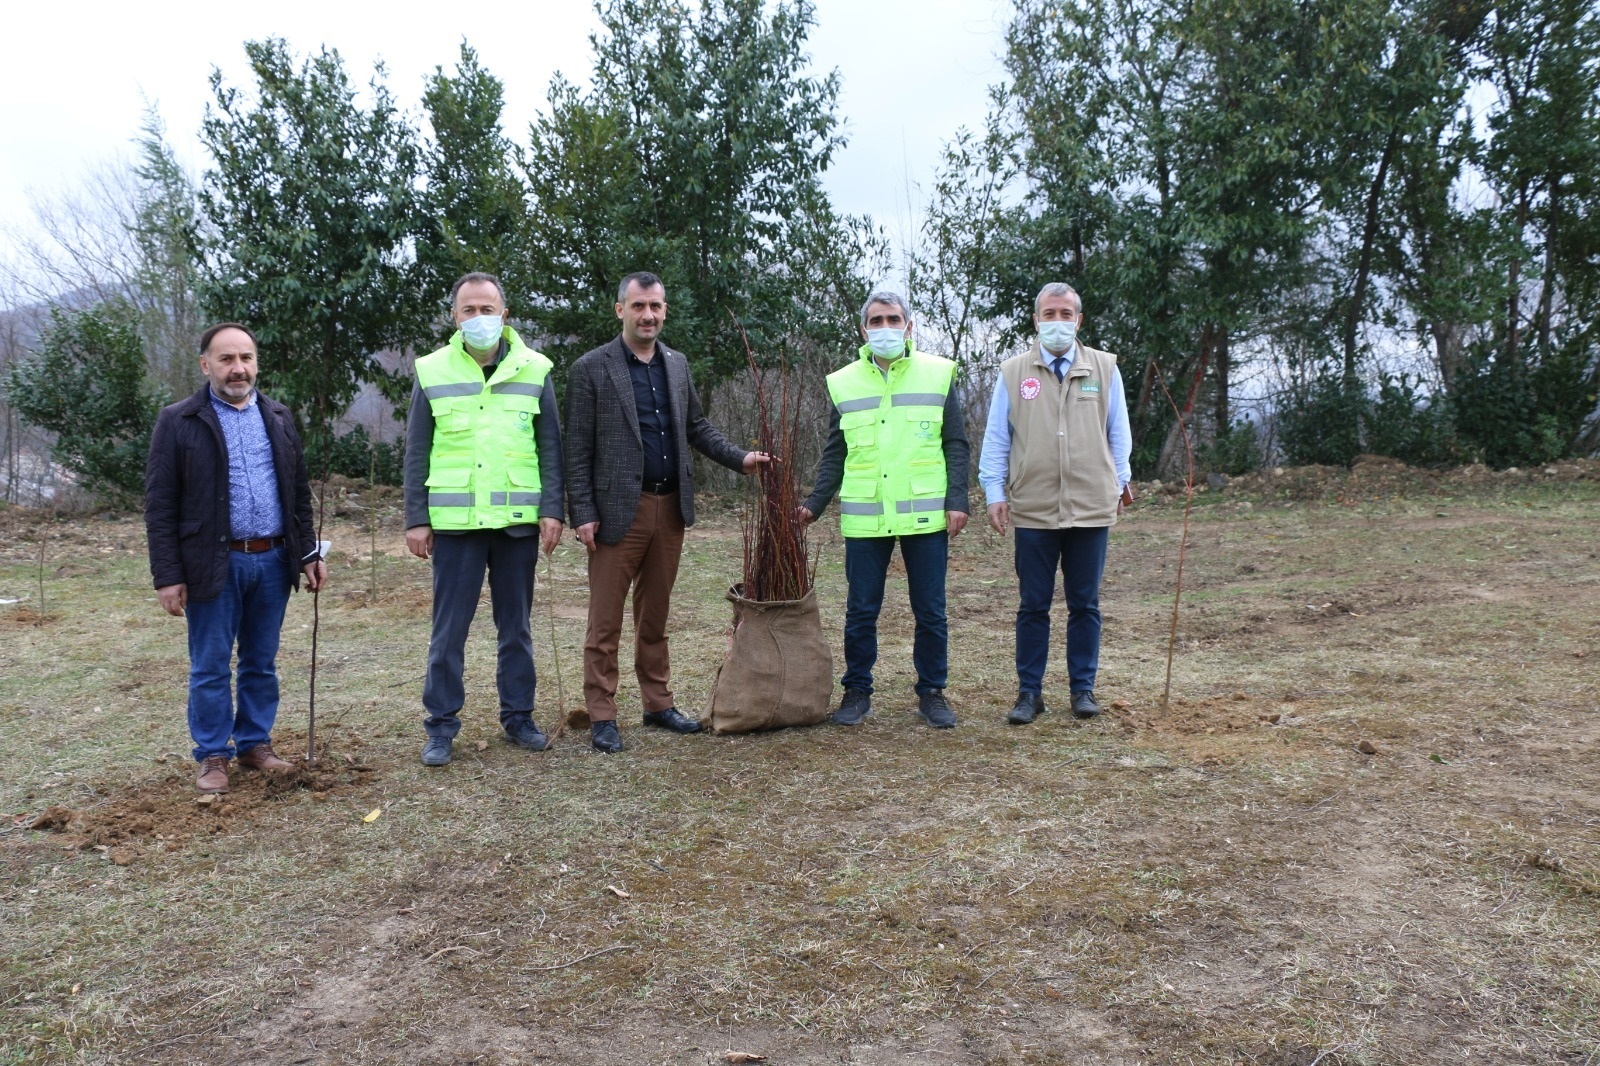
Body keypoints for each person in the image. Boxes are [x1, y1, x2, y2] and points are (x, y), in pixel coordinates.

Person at [565, 271, 770, 753]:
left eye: (655, 306)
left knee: (655, 616)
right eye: (638, 306)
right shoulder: (591, 368)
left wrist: (741, 458)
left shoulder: (676, 366)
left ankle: (658, 704)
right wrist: (583, 512)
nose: (648, 315)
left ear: (664, 310)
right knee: (605, 621)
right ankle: (602, 713)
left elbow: (696, 427)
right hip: (617, 511)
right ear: (620, 310)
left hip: (670, 507)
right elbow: (576, 450)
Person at [145, 322, 328, 793]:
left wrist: (308, 553)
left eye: (245, 357)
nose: (238, 368)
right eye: (226, 359)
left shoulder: (280, 417)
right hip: (212, 564)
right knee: (209, 665)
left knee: (260, 662)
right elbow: (160, 505)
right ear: (206, 365)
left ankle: (254, 745)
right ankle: (212, 755)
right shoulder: (180, 421)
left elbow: (298, 496)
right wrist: (168, 576)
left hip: (272, 559)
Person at [404, 272, 565, 767]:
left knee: (515, 628)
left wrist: (552, 508)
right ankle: (441, 725)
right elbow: (417, 448)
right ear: (455, 316)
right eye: (469, 310)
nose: (479, 319)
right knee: (448, 630)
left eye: (487, 309)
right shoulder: (431, 369)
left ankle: (519, 717)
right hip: (455, 526)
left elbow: (550, 446)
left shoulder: (535, 368)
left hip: (516, 523)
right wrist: (416, 517)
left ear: (505, 314)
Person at [799, 291, 970, 729]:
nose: (885, 327)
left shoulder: (938, 374)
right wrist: (813, 505)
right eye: (876, 320)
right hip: (866, 515)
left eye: (893, 319)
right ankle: (857, 691)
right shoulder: (844, 381)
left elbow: (955, 443)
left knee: (930, 610)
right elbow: (835, 453)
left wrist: (957, 501)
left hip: (924, 514)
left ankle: (932, 692)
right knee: (860, 609)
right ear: (863, 329)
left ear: (909, 326)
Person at [978, 282, 1132, 725]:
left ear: (1079, 320)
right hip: (1034, 507)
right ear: (1036, 319)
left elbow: (1118, 432)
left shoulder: (1104, 368)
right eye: (1050, 313)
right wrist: (995, 492)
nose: (1058, 321)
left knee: (1085, 604)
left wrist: (1120, 482)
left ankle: (1082, 689)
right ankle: (1030, 692)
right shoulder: (1012, 372)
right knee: (1033, 604)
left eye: (1066, 313)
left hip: (1090, 505)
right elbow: (996, 437)